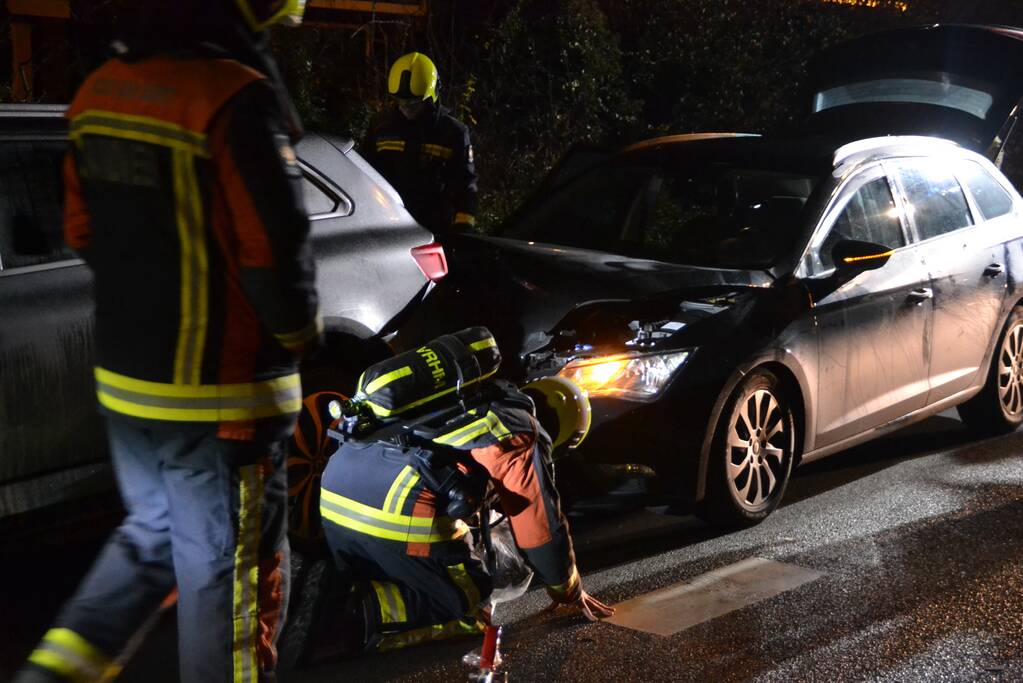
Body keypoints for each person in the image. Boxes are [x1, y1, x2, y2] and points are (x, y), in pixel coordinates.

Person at [15, 2, 319, 681]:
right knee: (227, 590)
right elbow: (275, 254)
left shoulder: (100, 91)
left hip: (130, 391)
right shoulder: (232, 98)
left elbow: (83, 229)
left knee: (151, 542)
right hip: (221, 399)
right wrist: (298, 339)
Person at [299, 332, 614, 655]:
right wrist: (568, 590)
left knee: (401, 565)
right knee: (468, 604)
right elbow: (540, 530)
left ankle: (324, 586)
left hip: (337, 488)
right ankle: (348, 614)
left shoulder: (471, 400)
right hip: (393, 507)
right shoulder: (521, 436)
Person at [362, 52, 479, 233]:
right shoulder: (381, 127)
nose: (406, 108)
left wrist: (463, 228)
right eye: (400, 101)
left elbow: (465, 186)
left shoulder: (452, 134)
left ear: (431, 96)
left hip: (435, 231)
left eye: (413, 102)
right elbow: (365, 176)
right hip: (386, 226)